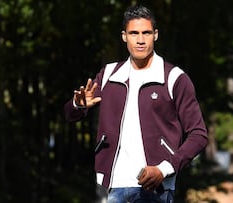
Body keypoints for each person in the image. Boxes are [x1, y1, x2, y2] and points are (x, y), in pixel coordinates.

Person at [64, 5, 208, 203]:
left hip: (157, 187)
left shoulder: (174, 78)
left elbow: (199, 135)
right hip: (115, 186)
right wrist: (78, 105)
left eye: (146, 33)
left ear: (155, 35)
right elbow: (70, 115)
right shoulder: (109, 75)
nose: (140, 40)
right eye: (134, 33)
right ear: (124, 36)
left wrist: (165, 169)